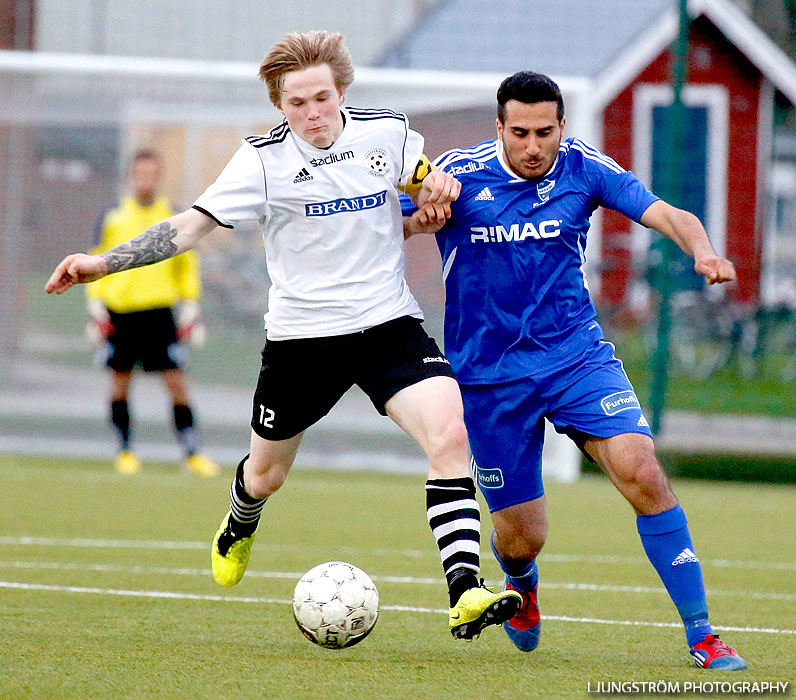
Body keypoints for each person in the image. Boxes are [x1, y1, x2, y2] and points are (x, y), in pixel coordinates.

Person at [45, 30, 521, 641]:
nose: (313, 114)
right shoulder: (262, 160)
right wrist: (103, 262)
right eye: (297, 104)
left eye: (322, 98)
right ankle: (240, 522)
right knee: (266, 474)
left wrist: (434, 200)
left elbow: (424, 191)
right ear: (279, 105)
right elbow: (190, 227)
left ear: (341, 90)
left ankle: (465, 591)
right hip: (303, 341)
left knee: (451, 429)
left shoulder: (388, 134)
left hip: (388, 326)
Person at [404, 71, 746, 670]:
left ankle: (703, 634)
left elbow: (668, 214)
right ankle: (522, 584)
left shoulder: (584, 167)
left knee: (642, 470)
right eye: (520, 133)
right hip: (489, 379)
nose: (534, 146)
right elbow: (389, 221)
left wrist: (705, 251)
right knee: (520, 537)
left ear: (563, 125)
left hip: (576, 360)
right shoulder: (458, 175)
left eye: (545, 132)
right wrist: (421, 212)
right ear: (499, 129)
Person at [86, 149, 219, 477]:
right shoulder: (114, 215)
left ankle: (192, 453)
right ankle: (125, 451)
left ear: (159, 177)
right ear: (132, 175)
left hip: (159, 313)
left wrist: (191, 306)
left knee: (177, 382)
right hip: (121, 312)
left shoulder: (172, 215)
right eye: (140, 173)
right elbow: (97, 259)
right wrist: (95, 306)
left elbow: (187, 265)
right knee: (120, 383)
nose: (146, 179)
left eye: (152, 173)